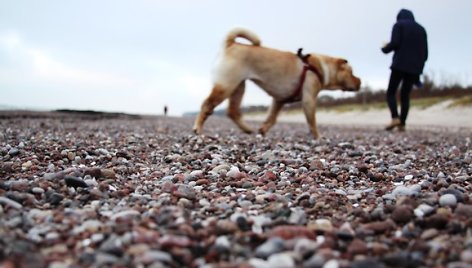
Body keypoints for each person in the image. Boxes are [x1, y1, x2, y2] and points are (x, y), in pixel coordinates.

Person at [382, 9, 428, 131]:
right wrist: (420, 67)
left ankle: (395, 118)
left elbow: (395, 43)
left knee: (391, 92)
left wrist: (385, 48)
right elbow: (425, 53)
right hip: (415, 67)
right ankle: (402, 123)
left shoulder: (399, 25)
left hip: (400, 64)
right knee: (405, 95)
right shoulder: (421, 29)